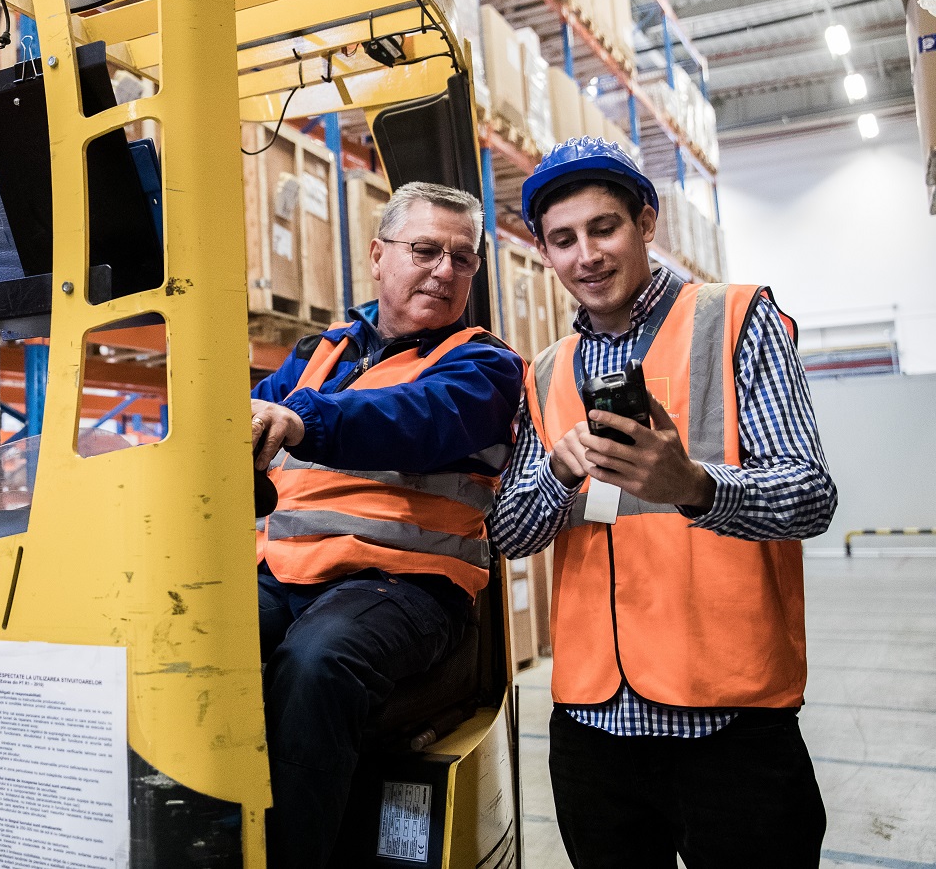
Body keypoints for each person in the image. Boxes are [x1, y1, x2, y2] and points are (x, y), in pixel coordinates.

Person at [490, 137, 837, 869]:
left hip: (730, 721)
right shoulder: (547, 370)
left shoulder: (737, 321)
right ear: (545, 252)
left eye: (604, 227)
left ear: (645, 223)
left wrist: (695, 487)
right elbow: (510, 534)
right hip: (593, 725)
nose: (586, 254)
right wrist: (557, 471)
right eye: (563, 239)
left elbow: (810, 495)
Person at [250, 181, 524, 868]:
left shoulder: (483, 364)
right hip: (284, 573)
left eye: (463, 259)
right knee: (177, 636)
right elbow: (248, 417)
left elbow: (415, 419)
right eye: (426, 250)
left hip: (407, 588)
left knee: (316, 667)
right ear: (378, 257)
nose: (444, 270)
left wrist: (303, 420)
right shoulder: (322, 353)